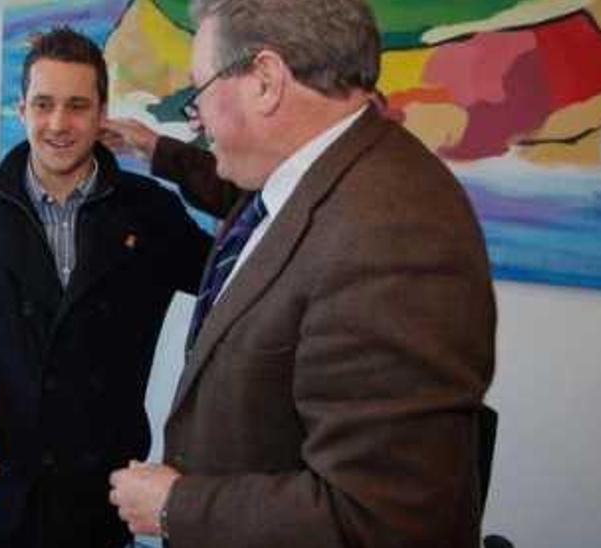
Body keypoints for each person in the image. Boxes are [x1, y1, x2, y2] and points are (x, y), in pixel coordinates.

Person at [107, 1, 497, 547]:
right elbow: (253, 208)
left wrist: (176, 506)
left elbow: (380, 521)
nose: (198, 119)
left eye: (200, 92)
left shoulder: (392, 239)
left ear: (266, 81)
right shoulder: (326, 172)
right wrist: (160, 153)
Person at [0, 27, 211, 548]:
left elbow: (240, 269)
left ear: (101, 112)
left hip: (98, 495)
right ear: (21, 108)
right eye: (43, 104)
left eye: (77, 106)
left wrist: (170, 155)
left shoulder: (151, 212)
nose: (58, 125)